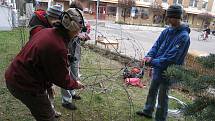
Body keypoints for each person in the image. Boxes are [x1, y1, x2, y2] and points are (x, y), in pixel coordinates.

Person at [5, 8, 85, 121]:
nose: (79, 32)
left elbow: (43, 61)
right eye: (80, 29)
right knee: (47, 117)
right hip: (24, 84)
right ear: (73, 28)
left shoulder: (48, 31)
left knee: (44, 112)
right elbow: (62, 79)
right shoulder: (58, 47)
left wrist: (47, 85)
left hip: (16, 75)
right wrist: (76, 84)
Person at [136, 5, 190, 121]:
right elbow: (156, 45)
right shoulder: (166, 31)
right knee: (152, 90)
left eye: (170, 17)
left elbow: (171, 58)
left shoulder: (183, 37)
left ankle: (160, 118)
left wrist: (151, 62)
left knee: (162, 96)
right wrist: (148, 57)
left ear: (176, 17)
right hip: (158, 67)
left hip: (169, 71)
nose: (168, 20)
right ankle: (148, 111)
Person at [28, 4, 63, 117]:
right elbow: (40, 41)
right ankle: (45, 112)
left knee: (49, 87)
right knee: (42, 87)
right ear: (50, 16)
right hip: (37, 58)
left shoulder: (51, 23)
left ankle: (51, 110)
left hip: (46, 58)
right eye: (56, 19)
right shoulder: (37, 21)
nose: (57, 22)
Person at [61, 1, 91, 110]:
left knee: (74, 72)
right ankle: (66, 100)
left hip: (76, 50)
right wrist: (77, 34)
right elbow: (67, 35)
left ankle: (72, 92)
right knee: (66, 74)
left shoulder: (80, 19)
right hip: (67, 50)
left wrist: (84, 35)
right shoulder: (66, 20)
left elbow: (85, 29)